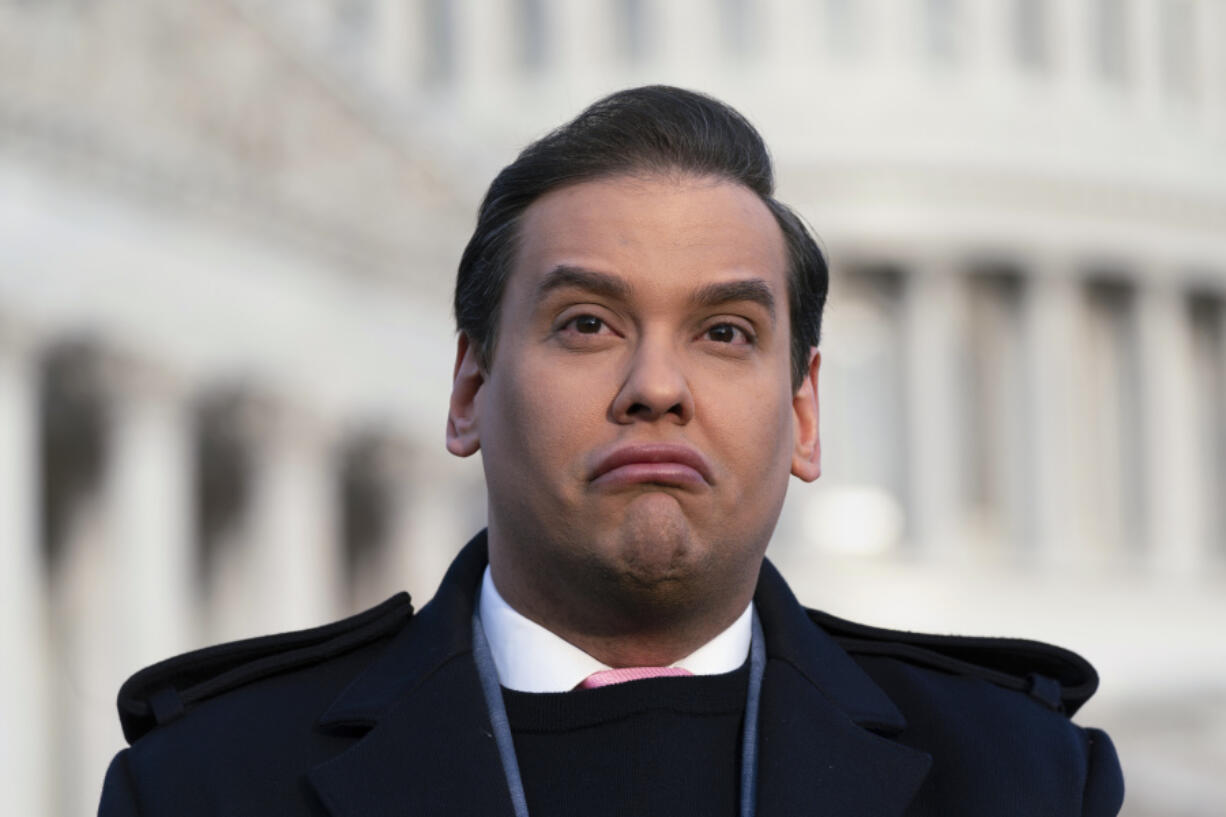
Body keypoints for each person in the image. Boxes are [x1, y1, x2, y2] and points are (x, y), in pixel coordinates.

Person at [98, 85, 1124, 817]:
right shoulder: (208, 784)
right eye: (587, 323)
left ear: (804, 415)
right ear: (467, 390)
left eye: (724, 333)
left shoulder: (1019, 780)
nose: (656, 386)